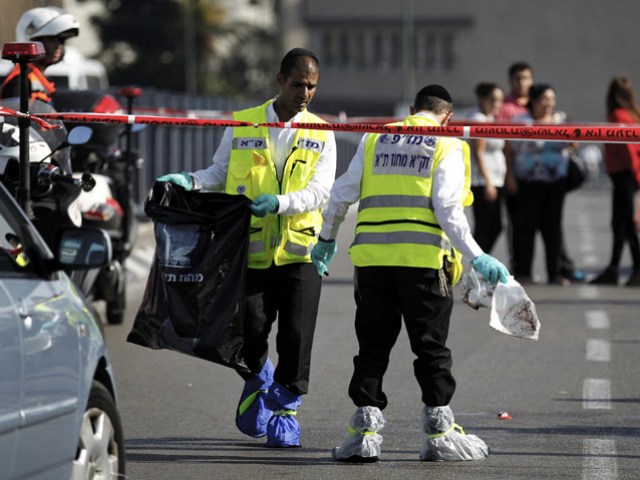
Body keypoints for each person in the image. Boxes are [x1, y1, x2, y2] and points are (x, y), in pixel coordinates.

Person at [311, 84, 509, 462]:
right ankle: (438, 434)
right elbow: (448, 209)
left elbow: (340, 195)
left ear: (413, 109)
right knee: (431, 349)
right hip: (421, 263)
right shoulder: (447, 144)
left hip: (371, 262)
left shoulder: (376, 139)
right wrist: (477, 255)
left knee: (372, 348)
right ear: (446, 116)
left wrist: (326, 239)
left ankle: (364, 434)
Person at [157, 48, 337, 448]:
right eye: (297, 85)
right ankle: (259, 377)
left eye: (311, 87)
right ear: (279, 81)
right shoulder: (243, 123)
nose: (304, 94)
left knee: (296, 336)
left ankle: (286, 410)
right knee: (249, 334)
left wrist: (281, 203)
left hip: (299, 252)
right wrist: (190, 180)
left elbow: (321, 190)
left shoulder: (321, 131)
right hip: (251, 251)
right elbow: (220, 172)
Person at [505, 83, 576, 285]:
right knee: (526, 228)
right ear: (534, 101)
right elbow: (508, 149)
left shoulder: (561, 120)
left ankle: (555, 273)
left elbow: (573, 144)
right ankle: (524, 272)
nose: (549, 103)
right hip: (527, 183)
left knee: (552, 228)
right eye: (545, 99)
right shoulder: (520, 121)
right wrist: (509, 176)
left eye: (552, 99)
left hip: (555, 182)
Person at [589, 76, 640, 286]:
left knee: (625, 224)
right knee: (618, 223)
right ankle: (613, 267)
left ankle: (636, 267)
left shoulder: (618, 115)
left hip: (625, 176)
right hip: (626, 176)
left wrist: (636, 176)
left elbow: (629, 149)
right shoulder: (633, 113)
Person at [1, 6, 79, 102]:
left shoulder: (40, 79)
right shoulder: (20, 80)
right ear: (32, 41)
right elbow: (14, 115)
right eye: (50, 39)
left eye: (61, 40)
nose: (58, 45)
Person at [468, 81, 506, 254]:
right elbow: (479, 152)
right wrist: (487, 182)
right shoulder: (478, 119)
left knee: (494, 226)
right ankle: (476, 265)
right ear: (482, 100)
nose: (497, 104)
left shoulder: (493, 119)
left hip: (496, 179)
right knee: (485, 227)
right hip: (483, 181)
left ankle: (481, 264)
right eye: (492, 99)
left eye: (499, 100)